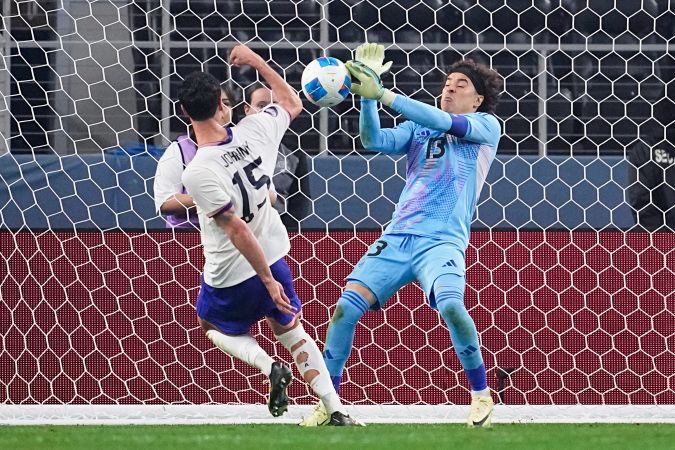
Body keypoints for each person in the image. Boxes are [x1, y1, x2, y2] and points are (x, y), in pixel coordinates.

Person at [300, 44, 502, 427]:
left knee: (453, 308)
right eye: (446, 82)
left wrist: (386, 93)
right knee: (344, 309)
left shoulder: (486, 127)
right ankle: (329, 404)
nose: (450, 88)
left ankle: (480, 396)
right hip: (398, 236)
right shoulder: (418, 126)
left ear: (477, 100)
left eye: (461, 85)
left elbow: (450, 125)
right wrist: (368, 98)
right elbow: (373, 141)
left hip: (441, 241)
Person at [179, 44, 359, 425]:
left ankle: (266, 366)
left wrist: (261, 277)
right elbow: (292, 102)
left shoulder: (197, 171)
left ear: (184, 113)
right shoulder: (255, 131)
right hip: (276, 257)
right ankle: (336, 409)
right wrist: (257, 61)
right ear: (224, 107)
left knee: (210, 325)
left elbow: (235, 228)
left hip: (231, 273)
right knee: (291, 328)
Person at [153, 86, 235, 229]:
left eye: (226, 104)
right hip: (188, 236)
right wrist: (214, 199)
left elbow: (270, 195)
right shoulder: (179, 149)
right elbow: (165, 202)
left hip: (233, 234)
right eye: (213, 104)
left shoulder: (243, 145)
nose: (220, 110)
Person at [243, 83, 311, 230]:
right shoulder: (233, 147)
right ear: (247, 110)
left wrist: (285, 232)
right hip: (240, 229)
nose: (268, 110)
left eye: (274, 105)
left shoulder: (294, 152)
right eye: (261, 105)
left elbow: (300, 200)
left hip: (280, 230)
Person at [627, 129, 675, 231]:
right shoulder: (645, 149)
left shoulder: (644, 149)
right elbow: (641, 199)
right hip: (660, 237)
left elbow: (640, 199)